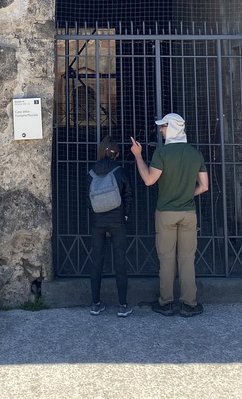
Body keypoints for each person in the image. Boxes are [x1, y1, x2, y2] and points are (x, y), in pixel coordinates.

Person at [130, 113, 208, 317]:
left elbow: (148, 180)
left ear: (171, 128)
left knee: (166, 259)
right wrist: (185, 193)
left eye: (163, 127)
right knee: (187, 259)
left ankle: (166, 303)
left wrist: (138, 155)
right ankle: (189, 304)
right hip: (188, 213)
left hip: (166, 213)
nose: (160, 130)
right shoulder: (195, 154)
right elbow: (204, 186)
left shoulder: (162, 154)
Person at [88, 136, 133, 317]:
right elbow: (128, 195)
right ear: (116, 154)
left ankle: (95, 304)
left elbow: (87, 198)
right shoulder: (120, 171)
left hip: (98, 222)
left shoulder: (91, 171)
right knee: (120, 262)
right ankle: (122, 305)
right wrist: (125, 215)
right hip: (117, 221)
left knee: (97, 262)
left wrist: (97, 218)